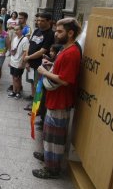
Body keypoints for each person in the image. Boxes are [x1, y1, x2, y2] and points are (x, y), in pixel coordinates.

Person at [32, 18, 82, 179]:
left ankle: (52, 169)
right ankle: (48, 156)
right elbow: (60, 69)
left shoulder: (72, 52)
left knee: (55, 138)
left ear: (70, 33)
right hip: (54, 99)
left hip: (61, 102)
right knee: (49, 134)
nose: (56, 33)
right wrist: (50, 63)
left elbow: (65, 80)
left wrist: (44, 71)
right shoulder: (66, 49)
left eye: (60, 31)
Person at [23, 13, 54, 109]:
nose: (39, 22)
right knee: (32, 82)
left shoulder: (50, 34)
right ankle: (33, 99)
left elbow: (43, 51)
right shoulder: (37, 30)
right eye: (38, 20)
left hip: (40, 65)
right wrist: (27, 60)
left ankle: (37, 107)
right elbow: (30, 45)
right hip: (31, 63)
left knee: (38, 86)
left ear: (49, 21)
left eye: (42, 21)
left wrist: (28, 58)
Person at [8, 25, 29, 99]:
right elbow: (12, 50)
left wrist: (22, 63)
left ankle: (18, 92)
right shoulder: (14, 39)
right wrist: (10, 61)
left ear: (21, 30)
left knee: (17, 78)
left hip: (19, 62)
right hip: (13, 61)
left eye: (17, 30)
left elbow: (25, 52)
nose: (15, 31)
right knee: (13, 77)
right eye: (15, 30)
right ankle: (14, 91)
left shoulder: (25, 39)